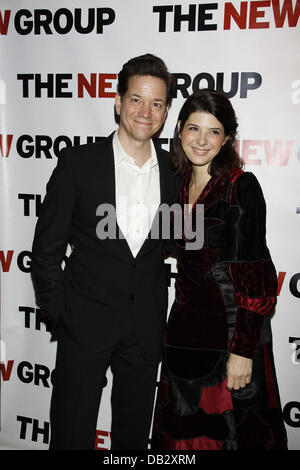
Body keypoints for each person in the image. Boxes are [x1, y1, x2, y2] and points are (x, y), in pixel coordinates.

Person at [31, 53, 181, 450]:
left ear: (166, 112)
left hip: (145, 330)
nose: (145, 112)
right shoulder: (78, 164)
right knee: (71, 434)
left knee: (132, 441)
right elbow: (45, 249)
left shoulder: (175, 172)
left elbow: (181, 243)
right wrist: (60, 315)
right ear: (118, 102)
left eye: (157, 103)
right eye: (136, 99)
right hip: (83, 324)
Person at [151, 89, 288, 450]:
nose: (201, 140)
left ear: (227, 138)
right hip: (183, 334)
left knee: (232, 436)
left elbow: (257, 280)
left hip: (232, 334)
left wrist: (243, 352)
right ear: (179, 129)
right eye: (193, 128)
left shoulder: (240, 187)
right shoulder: (176, 186)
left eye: (213, 132)